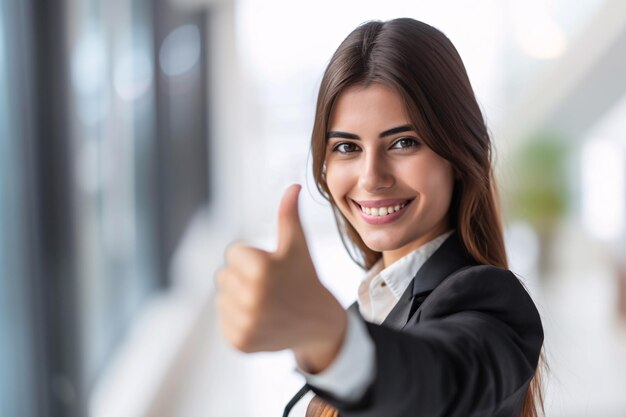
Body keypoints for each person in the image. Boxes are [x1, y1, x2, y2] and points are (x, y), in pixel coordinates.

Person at [216, 17, 544, 417]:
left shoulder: (492, 306)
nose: (371, 178)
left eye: (404, 142)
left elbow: (436, 384)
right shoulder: (368, 310)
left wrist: (327, 336)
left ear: (458, 157)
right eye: (346, 148)